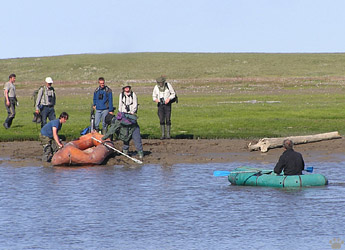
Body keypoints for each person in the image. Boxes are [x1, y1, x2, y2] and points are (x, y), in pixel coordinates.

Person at [102, 85, 143, 159]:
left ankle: (131, 153)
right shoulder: (119, 117)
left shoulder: (117, 121)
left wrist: (103, 138)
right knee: (128, 138)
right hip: (131, 126)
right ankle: (136, 154)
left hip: (133, 127)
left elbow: (111, 131)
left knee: (132, 139)